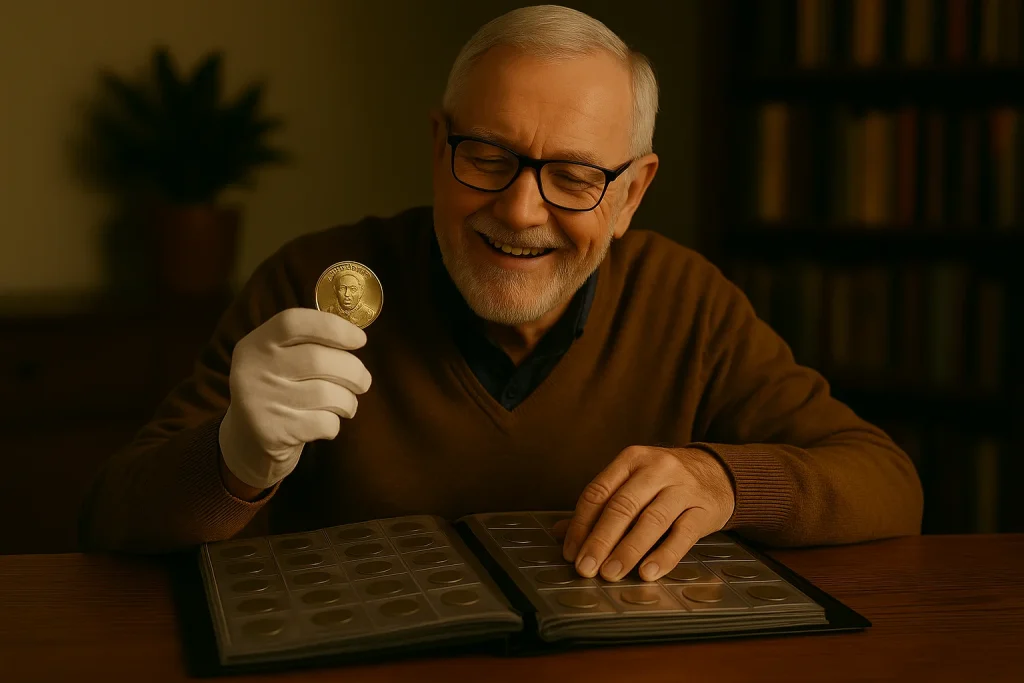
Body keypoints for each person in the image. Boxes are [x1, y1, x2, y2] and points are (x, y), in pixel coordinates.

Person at [80, 5, 923, 585]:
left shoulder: (687, 299)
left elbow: (889, 482)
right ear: (439, 142)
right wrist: (233, 459)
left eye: (574, 176)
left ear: (632, 193)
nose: (520, 210)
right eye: (487, 156)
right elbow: (113, 519)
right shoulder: (308, 280)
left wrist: (727, 482)